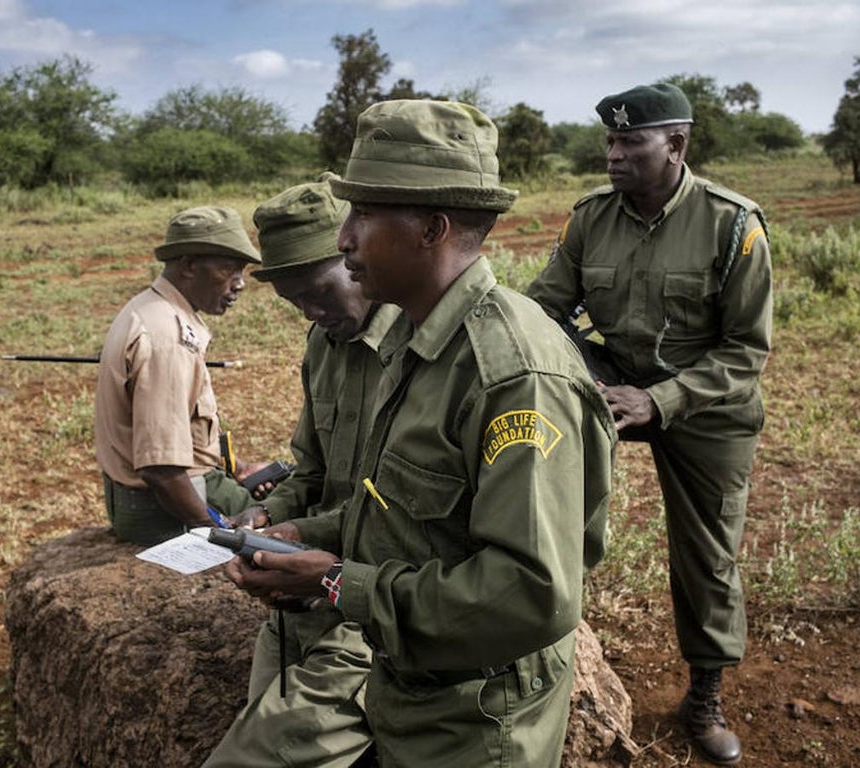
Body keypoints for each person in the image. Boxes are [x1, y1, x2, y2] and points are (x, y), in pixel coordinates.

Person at [221, 99, 616, 768]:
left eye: (364, 214)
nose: (344, 238)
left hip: (476, 719)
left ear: (432, 228)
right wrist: (305, 535)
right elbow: (400, 511)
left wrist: (339, 583)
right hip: (408, 687)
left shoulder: (514, 375)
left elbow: (531, 594)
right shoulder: (416, 339)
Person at [525, 83, 773, 766]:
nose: (614, 155)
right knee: (531, 487)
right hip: (611, 386)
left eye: (631, 142)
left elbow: (746, 352)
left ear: (677, 145)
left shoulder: (733, 224)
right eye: (610, 140)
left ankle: (705, 695)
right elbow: (544, 309)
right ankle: (536, 646)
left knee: (708, 552)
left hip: (706, 405)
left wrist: (659, 401)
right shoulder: (591, 219)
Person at [202, 175, 396, 767]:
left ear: (355, 256)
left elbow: (396, 511)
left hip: (379, 607)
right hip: (308, 600)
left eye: (319, 292)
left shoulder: (421, 352)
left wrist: (301, 540)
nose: (310, 312)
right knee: (261, 711)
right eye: (294, 302)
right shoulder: (325, 343)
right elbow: (311, 469)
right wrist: (267, 515)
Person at [94, 206, 265, 547]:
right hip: (167, 509)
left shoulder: (148, 308)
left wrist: (238, 466)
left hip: (163, 494)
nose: (240, 284)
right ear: (188, 266)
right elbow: (161, 469)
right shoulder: (168, 338)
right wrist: (215, 532)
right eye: (228, 269)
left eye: (241, 271)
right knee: (288, 519)